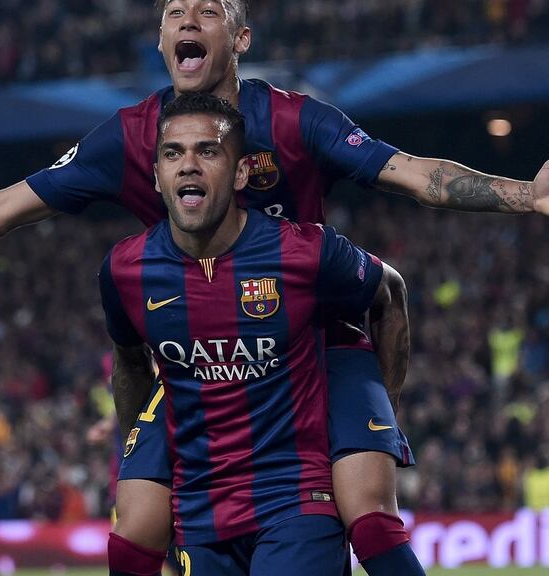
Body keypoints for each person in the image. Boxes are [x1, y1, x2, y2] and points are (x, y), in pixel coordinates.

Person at [0, 1, 549, 573]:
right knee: (134, 525)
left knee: (365, 514)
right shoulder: (131, 136)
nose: (185, 16)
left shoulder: (295, 118)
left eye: (206, 7)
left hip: (317, 346)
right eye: (173, 7)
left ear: (236, 39)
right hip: (200, 357)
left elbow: (412, 172)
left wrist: (527, 195)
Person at [101, 91, 407, 576]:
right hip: (202, 512)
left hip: (296, 498)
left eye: (208, 151)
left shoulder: (305, 252)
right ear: (157, 175)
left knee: (373, 523)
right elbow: (131, 363)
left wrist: (385, 410)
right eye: (173, 153)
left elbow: (388, 292)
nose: (188, 166)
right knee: (127, 542)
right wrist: (142, 462)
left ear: (242, 172)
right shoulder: (125, 269)